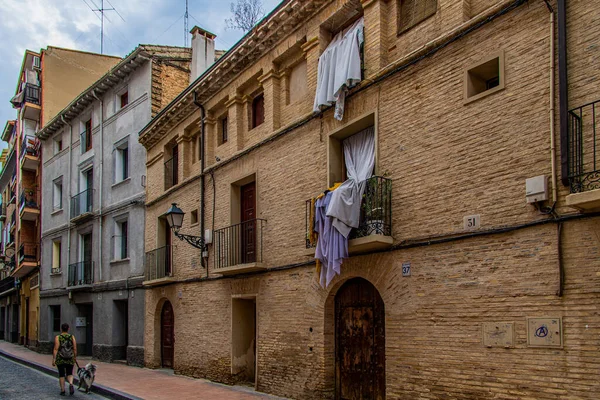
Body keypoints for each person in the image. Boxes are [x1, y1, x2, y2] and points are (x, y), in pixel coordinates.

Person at [52, 323, 78, 396]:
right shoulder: (72, 337)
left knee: (62, 374)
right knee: (70, 373)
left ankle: (63, 390)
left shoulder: (58, 337)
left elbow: (56, 348)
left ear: (61, 329)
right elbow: (75, 348)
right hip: (70, 358)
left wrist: (54, 359)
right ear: (68, 329)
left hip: (61, 358)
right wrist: (75, 357)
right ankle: (71, 383)